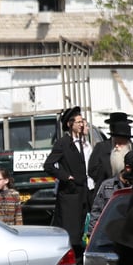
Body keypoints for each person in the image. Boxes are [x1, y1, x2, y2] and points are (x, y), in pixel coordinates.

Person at [44, 106, 93, 255]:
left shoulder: (83, 142)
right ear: (69, 124)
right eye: (77, 122)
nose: (81, 124)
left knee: (83, 231)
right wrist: (66, 177)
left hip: (84, 192)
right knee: (72, 234)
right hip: (70, 195)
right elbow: (48, 165)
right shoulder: (63, 143)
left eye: (81, 121)